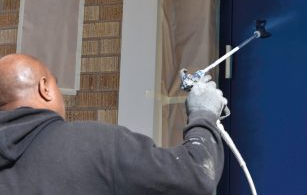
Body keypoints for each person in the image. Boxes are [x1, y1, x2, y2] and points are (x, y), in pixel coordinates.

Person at [0, 54, 227, 194]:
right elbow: (195, 177)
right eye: (56, 84)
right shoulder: (91, 145)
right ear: (45, 88)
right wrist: (203, 115)